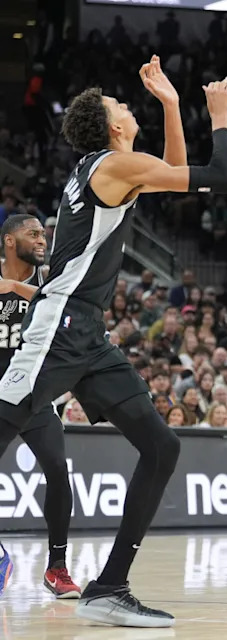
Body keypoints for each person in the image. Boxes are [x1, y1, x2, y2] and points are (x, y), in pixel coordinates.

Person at [0, 57, 227, 627]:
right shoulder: (110, 167)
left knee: (162, 448)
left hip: (88, 336)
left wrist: (172, 106)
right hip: (57, 326)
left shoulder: (110, 167)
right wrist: (220, 116)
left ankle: (108, 587)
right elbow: (219, 176)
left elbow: (174, 169)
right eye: (123, 107)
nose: (129, 109)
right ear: (112, 128)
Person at [0, 215, 80, 598]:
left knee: (59, 473)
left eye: (43, 235)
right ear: (9, 241)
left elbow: (67, 311)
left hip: (32, 393)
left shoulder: (48, 282)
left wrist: (15, 287)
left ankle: (57, 567)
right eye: (33, 234)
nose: (42, 240)